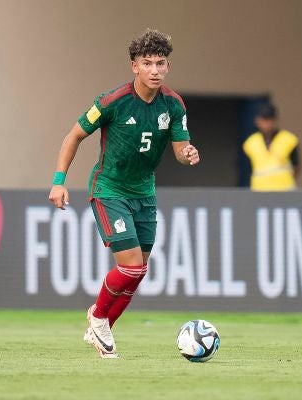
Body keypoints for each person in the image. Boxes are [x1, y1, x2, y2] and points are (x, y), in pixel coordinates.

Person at [48, 29, 199, 359]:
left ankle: (100, 330)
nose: (155, 70)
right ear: (134, 66)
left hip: (145, 193)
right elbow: (73, 136)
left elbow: (179, 148)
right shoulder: (112, 102)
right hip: (109, 189)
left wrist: (188, 153)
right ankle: (99, 316)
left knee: (139, 271)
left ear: (168, 67)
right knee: (130, 266)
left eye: (161, 63)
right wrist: (59, 181)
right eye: (148, 63)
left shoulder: (173, 104)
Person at [242, 102, 300, 191]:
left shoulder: (289, 139)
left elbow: (296, 166)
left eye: (269, 119)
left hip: (284, 189)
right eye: (264, 119)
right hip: (259, 189)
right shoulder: (250, 143)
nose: (267, 123)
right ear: (257, 121)